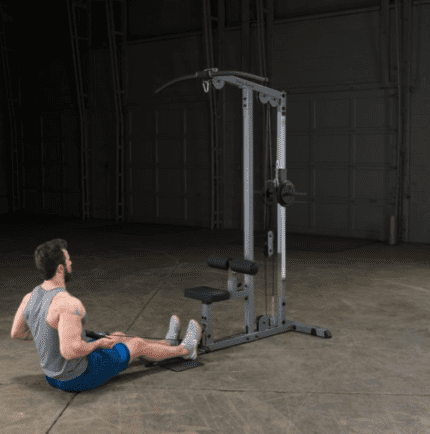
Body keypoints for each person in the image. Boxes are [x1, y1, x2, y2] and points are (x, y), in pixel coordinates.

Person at [14, 238, 201, 392]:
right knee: (136, 344)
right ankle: (186, 351)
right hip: (77, 377)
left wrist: (49, 337)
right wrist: (98, 344)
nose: (71, 263)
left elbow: (18, 333)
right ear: (60, 269)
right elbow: (70, 351)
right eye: (68, 260)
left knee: (118, 336)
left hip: (52, 376)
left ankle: (167, 343)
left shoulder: (29, 298)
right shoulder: (68, 303)